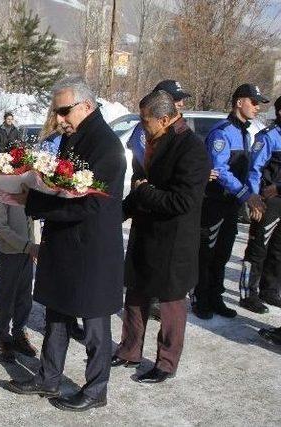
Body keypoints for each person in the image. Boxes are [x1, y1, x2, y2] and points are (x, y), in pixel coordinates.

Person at [2, 79, 126, 412]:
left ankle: (96, 388)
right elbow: (61, 186)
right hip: (66, 244)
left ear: (86, 106)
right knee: (56, 314)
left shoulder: (106, 146)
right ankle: (48, 377)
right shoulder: (75, 138)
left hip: (92, 251)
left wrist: (35, 203)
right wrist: (32, 190)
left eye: (63, 111)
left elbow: (91, 204)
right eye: (56, 112)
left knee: (95, 323)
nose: (58, 119)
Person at [115, 90, 209, 383]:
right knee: (135, 293)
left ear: (165, 119)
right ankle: (129, 350)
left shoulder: (191, 148)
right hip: (145, 233)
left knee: (170, 303)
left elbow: (182, 201)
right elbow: (140, 185)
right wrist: (115, 214)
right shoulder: (150, 141)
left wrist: (145, 192)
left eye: (146, 121)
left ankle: (166, 363)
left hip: (173, 241)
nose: (142, 126)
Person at [193, 84, 269, 319]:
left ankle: (215, 297)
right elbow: (221, 171)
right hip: (215, 203)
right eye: (253, 102)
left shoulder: (246, 133)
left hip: (231, 205)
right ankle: (200, 298)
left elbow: (248, 171)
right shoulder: (222, 131)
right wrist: (247, 195)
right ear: (239, 102)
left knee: (223, 253)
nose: (257, 107)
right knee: (207, 252)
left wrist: (249, 195)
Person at [239, 95, 281, 311]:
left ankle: (270, 289)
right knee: (258, 248)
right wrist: (254, 200)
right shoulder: (269, 137)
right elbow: (254, 171)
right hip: (268, 201)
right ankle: (248, 293)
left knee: (278, 249)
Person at [0, 190, 40, 363]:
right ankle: (2, 336)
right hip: (10, 251)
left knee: (25, 295)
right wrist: (28, 246)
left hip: (28, 251)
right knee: (7, 295)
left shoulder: (28, 187)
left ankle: (19, 332)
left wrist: (34, 245)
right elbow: (2, 227)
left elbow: (33, 220)